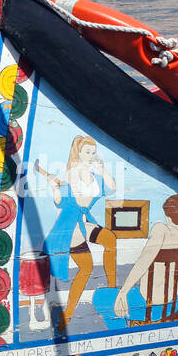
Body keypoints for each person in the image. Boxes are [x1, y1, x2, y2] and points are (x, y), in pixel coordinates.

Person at [39, 136, 117, 328]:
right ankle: (69, 314)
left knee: (110, 239)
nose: (91, 156)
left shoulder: (92, 173)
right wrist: (56, 189)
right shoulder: (72, 174)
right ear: (79, 153)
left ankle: (112, 289)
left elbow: (112, 188)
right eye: (87, 152)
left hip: (84, 220)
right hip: (71, 226)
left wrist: (103, 170)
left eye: (93, 152)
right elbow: (70, 202)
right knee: (86, 268)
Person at [93, 194, 178, 328]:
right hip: (172, 307)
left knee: (100, 297)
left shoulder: (161, 230)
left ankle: (123, 335)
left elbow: (143, 263)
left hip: (148, 306)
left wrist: (123, 292)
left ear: (168, 217)